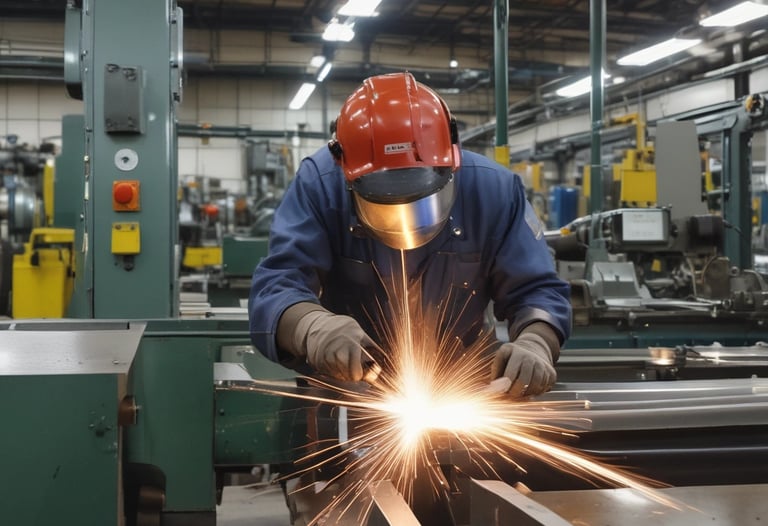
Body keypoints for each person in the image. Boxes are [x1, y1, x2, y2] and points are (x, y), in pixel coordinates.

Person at [248, 71, 571, 398]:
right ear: (346, 175)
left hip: (463, 390)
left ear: (452, 162)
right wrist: (312, 327)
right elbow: (278, 284)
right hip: (355, 391)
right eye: (384, 205)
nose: (406, 225)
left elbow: (536, 288)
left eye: (421, 202)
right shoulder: (319, 185)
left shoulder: (494, 191)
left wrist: (536, 341)